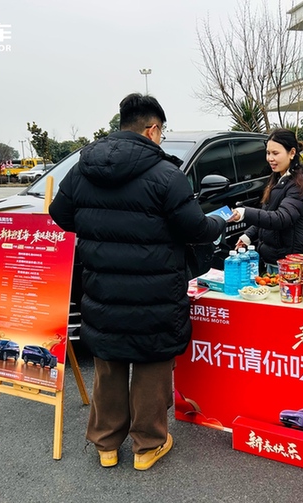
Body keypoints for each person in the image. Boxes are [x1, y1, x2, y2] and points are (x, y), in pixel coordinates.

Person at [49, 93, 226, 471]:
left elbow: (59, 214)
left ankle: (106, 446)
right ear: (152, 129)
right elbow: (195, 228)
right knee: (150, 365)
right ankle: (147, 447)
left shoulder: (83, 168)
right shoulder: (166, 174)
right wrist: (219, 222)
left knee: (109, 362)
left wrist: (97, 229)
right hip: (155, 292)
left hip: (102, 289)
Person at [230, 128, 303, 268]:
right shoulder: (278, 178)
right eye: (268, 153)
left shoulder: (300, 184)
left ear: (292, 153)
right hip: (276, 259)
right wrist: (248, 235)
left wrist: (244, 213)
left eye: (275, 153)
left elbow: (281, 218)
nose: (270, 158)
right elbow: (268, 213)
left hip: (292, 265)